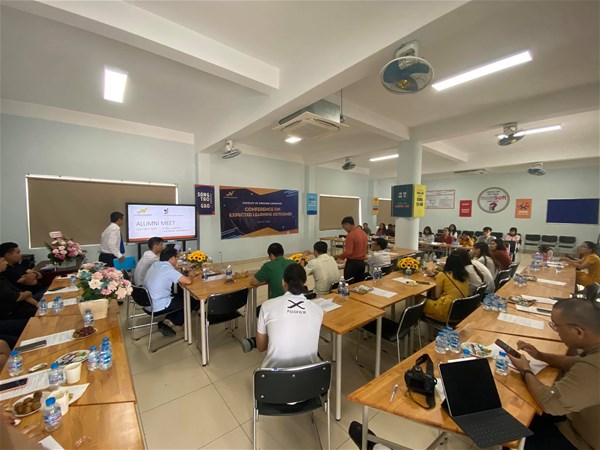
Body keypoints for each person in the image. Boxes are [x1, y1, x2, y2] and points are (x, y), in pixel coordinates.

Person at [506, 299, 600, 450]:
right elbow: (574, 362)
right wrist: (540, 355)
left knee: (514, 424)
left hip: (581, 440)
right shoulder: (594, 351)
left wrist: (525, 370)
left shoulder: (594, 368)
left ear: (578, 332)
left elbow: (551, 403)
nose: (556, 331)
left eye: (556, 326)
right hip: (578, 420)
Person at [256, 263, 323, 368]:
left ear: (283, 282)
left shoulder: (266, 306)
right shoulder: (318, 310)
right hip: (309, 375)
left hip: (273, 376)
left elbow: (261, 347)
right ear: (305, 282)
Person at [144, 247, 198, 336]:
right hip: (158, 304)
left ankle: (169, 319)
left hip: (147, 302)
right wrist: (191, 274)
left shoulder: (155, 264)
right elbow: (188, 281)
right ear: (172, 258)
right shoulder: (167, 269)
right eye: (177, 257)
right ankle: (168, 323)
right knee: (191, 300)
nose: (177, 260)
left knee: (180, 295)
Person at [423, 252, 470, 322]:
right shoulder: (465, 275)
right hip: (460, 312)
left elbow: (436, 296)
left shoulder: (442, 275)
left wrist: (433, 274)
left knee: (419, 300)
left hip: (445, 312)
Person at [336, 216, 368, 283]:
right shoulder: (363, 233)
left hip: (352, 264)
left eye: (344, 227)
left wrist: (340, 257)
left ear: (347, 224)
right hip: (362, 263)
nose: (344, 229)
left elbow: (348, 252)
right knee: (359, 283)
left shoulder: (350, 235)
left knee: (349, 283)